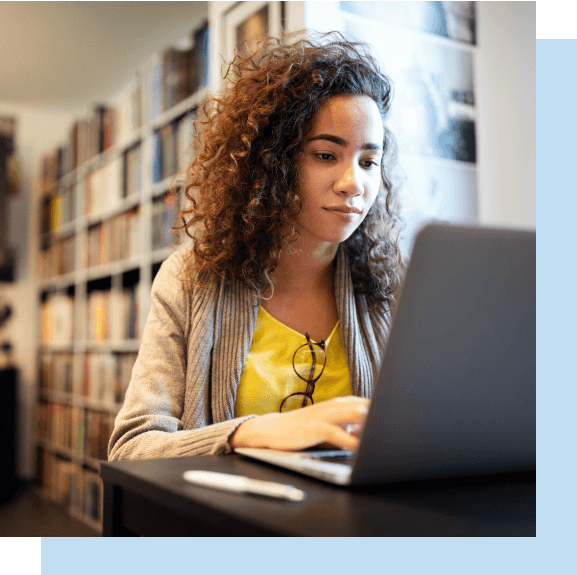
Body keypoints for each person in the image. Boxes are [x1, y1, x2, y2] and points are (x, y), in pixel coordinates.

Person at [108, 30, 404, 462]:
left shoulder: (393, 288)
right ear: (273, 161)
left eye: (368, 162)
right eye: (325, 155)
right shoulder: (190, 278)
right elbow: (131, 447)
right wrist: (257, 433)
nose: (353, 184)